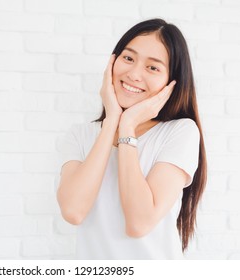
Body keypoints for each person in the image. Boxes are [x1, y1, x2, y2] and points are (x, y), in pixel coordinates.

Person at [56, 18, 207, 259]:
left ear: (172, 82)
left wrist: (127, 127)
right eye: (128, 58)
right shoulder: (81, 134)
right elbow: (73, 211)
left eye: (153, 67)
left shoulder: (180, 132)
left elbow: (139, 223)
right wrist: (112, 123)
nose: (134, 74)